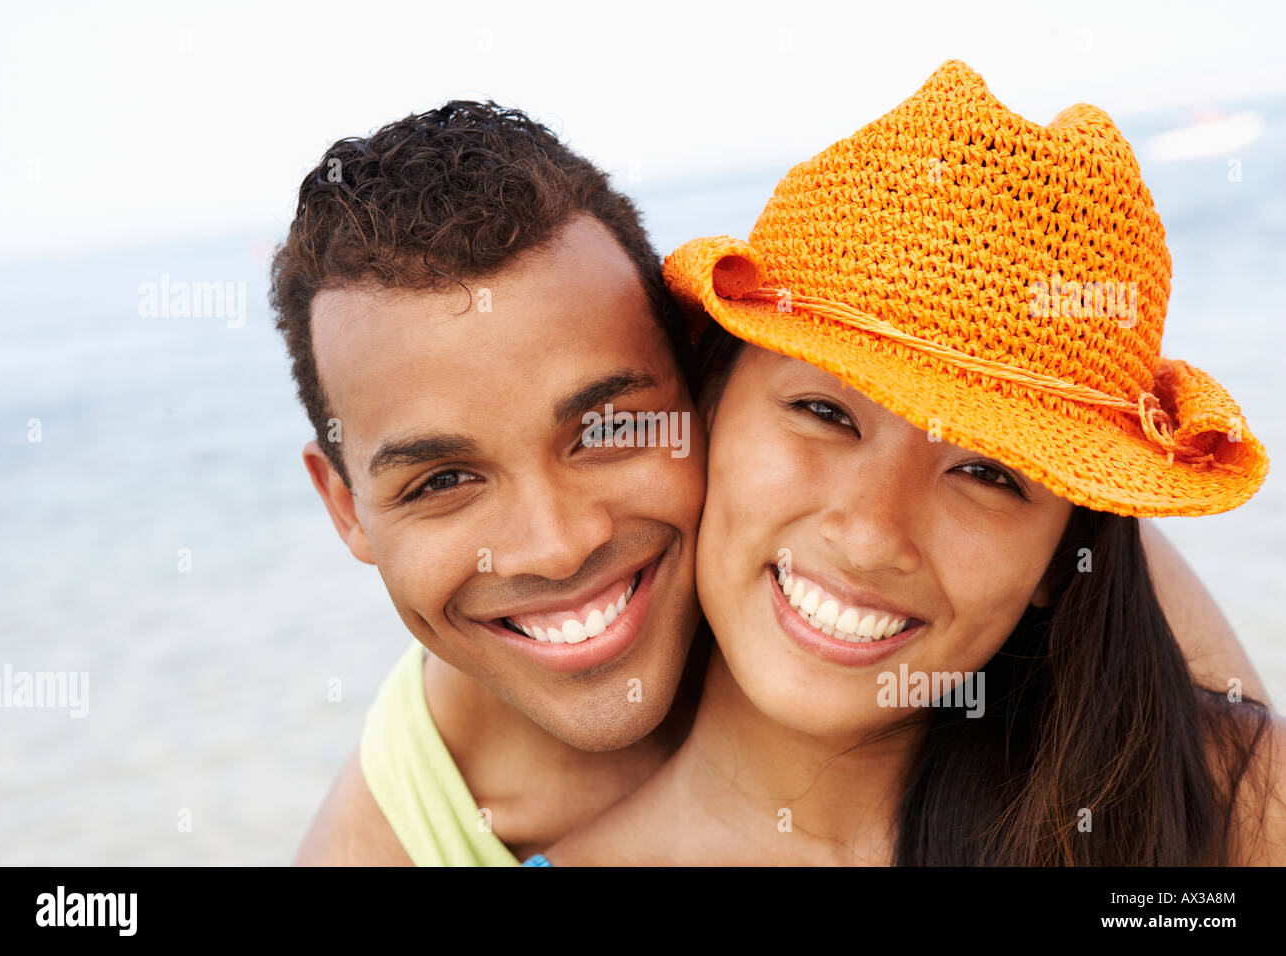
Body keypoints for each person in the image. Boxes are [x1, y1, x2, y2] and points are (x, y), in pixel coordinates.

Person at [271, 98, 1269, 865]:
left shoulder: (1204, 782)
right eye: (826, 413)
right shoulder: (412, 809)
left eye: (987, 471)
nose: (555, 544)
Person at [537, 60, 1283, 866]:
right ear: (707, 406)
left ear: (1059, 559)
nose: (868, 536)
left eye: (990, 474)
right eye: (824, 414)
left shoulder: (1224, 806)